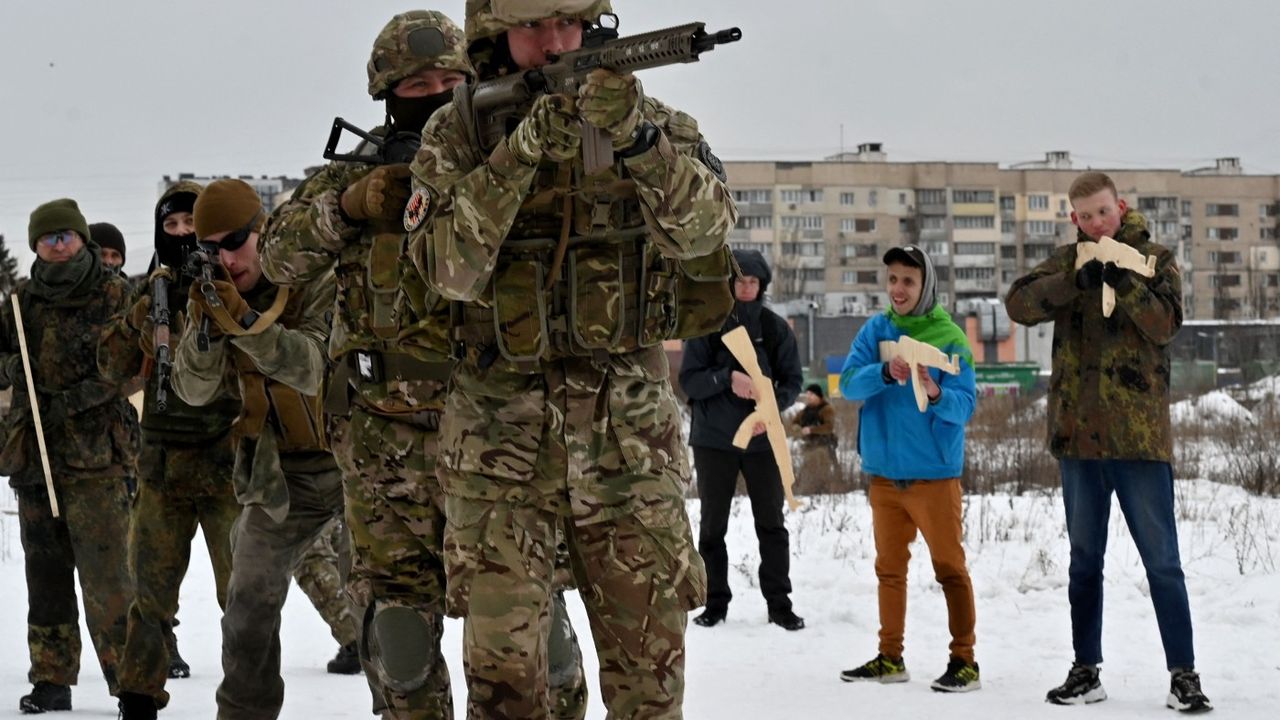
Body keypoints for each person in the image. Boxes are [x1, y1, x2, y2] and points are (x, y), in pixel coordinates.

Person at [403, 0, 738, 715]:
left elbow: (704, 233)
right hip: (499, 452)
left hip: (629, 447)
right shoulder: (458, 130)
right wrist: (519, 154)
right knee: (506, 691)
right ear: (496, 34)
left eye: (570, 23)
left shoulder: (655, 122)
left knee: (649, 685)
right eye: (533, 27)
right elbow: (446, 270)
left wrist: (638, 140)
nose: (555, 44)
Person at [258, 10, 586, 717]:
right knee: (401, 638)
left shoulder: (515, 158)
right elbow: (279, 255)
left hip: (504, 437)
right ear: (386, 91)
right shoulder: (352, 176)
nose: (434, 91)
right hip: (385, 447)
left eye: (449, 80)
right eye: (416, 82)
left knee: (535, 633)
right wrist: (349, 206)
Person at [1005, 172, 1212, 713]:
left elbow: (1165, 324)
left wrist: (1122, 280)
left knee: (1162, 562)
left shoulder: (1158, 259)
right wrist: (1075, 282)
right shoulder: (1067, 262)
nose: (1096, 223)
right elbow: (1018, 305)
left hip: (1139, 441)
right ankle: (1085, 669)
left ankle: (1183, 675)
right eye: (1086, 217)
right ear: (1075, 220)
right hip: (1078, 440)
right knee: (1083, 562)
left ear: (1120, 207)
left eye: (1103, 212)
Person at [163, 179, 342, 720]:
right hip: (278, 480)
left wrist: (243, 320)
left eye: (235, 240)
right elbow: (191, 391)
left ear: (263, 232)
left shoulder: (317, 278)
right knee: (246, 612)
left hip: (355, 467)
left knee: (381, 612)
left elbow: (312, 367)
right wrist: (208, 330)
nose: (224, 257)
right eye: (209, 248)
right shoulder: (214, 295)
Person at [102, 181, 244, 719]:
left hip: (229, 464)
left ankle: (247, 700)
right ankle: (138, 700)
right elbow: (111, 368)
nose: (184, 236)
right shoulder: (150, 293)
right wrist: (145, 313)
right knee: (151, 597)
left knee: (243, 597)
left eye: (193, 225)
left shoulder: (241, 285)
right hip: (163, 469)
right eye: (173, 227)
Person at [0, 199, 136, 713]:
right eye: (47, 238)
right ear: (34, 244)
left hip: (97, 461)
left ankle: (131, 685)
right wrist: (16, 369)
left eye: (66, 236)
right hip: (37, 463)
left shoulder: (114, 293)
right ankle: (51, 678)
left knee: (110, 580)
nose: (57, 245)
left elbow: (131, 365)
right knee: (45, 575)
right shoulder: (21, 302)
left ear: (82, 239)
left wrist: (71, 402)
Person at [837, 244, 981, 693]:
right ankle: (890, 656)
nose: (898, 289)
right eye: (893, 279)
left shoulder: (951, 337)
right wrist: (884, 372)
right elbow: (847, 384)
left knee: (949, 569)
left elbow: (965, 406)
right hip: (883, 473)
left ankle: (965, 661)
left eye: (908, 281)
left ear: (926, 285)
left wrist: (937, 393)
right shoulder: (875, 330)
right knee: (889, 570)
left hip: (933, 475)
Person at [678, 249, 805, 631]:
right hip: (714, 442)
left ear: (762, 285)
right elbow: (689, 383)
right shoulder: (706, 325)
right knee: (713, 527)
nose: (747, 287)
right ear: (728, 284)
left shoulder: (775, 328)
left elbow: (792, 382)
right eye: (740, 281)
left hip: (763, 442)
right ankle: (715, 603)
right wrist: (725, 378)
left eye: (753, 282)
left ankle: (779, 604)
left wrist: (771, 411)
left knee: (771, 524)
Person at [290, 516, 362, 675]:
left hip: (301, 497)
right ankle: (369, 634)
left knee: (310, 556)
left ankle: (357, 640)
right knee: (338, 550)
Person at [792, 382, 838, 484]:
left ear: (818, 396)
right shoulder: (806, 410)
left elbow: (829, 427)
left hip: (824, 445)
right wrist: (798, 429)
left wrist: (811, 430)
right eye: (807, 394)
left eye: (811, 394)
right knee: (808, 473)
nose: (808, 396)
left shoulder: (826, 409)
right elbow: (795, 422)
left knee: (825, 474)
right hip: (809, 445)